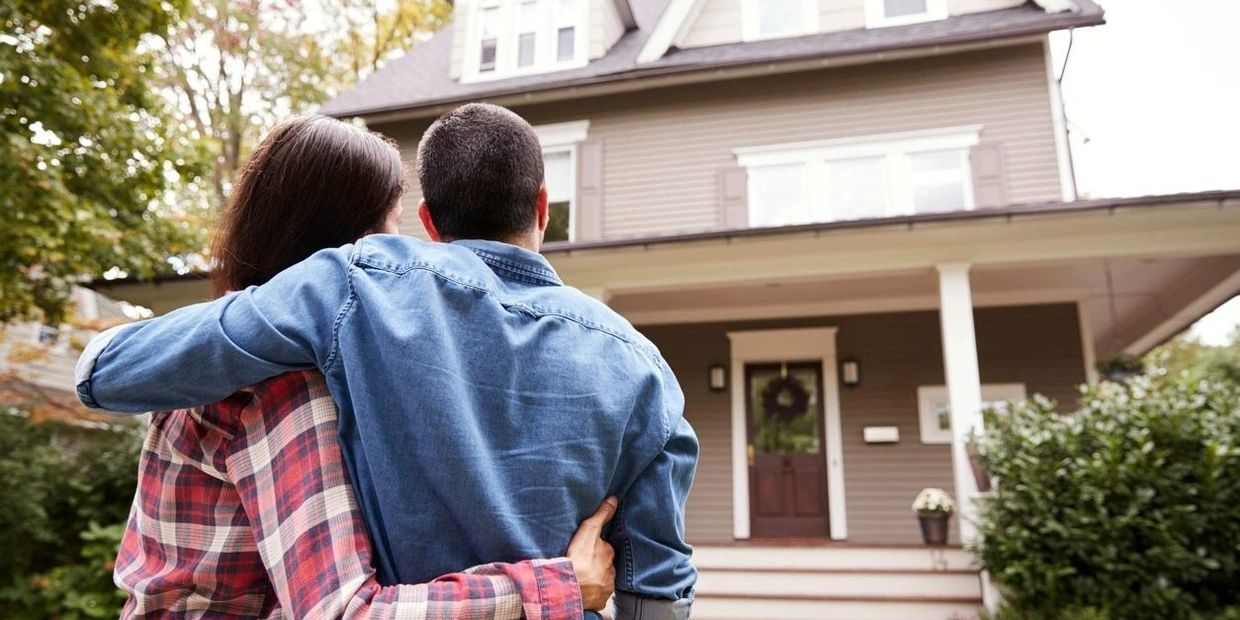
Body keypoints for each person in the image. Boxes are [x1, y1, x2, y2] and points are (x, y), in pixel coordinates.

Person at [77, 103, 699, 619]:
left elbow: (107, 374)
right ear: (542, 208)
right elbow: (660, 584)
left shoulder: (348, 292)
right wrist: (564, 586)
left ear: (428, 222)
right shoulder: (645, 368)